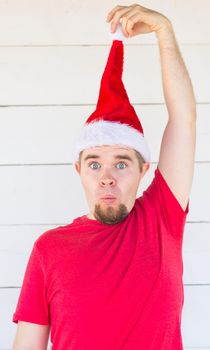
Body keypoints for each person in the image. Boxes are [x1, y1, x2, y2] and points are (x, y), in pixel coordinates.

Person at [11, 3, 196, 350]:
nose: (107, 177)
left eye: (121, 163)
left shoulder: (161, 218)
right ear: (79, 170)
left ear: (144, 170)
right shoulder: (49, 250)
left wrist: (164, 32)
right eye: (95, 164)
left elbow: (183, 120)